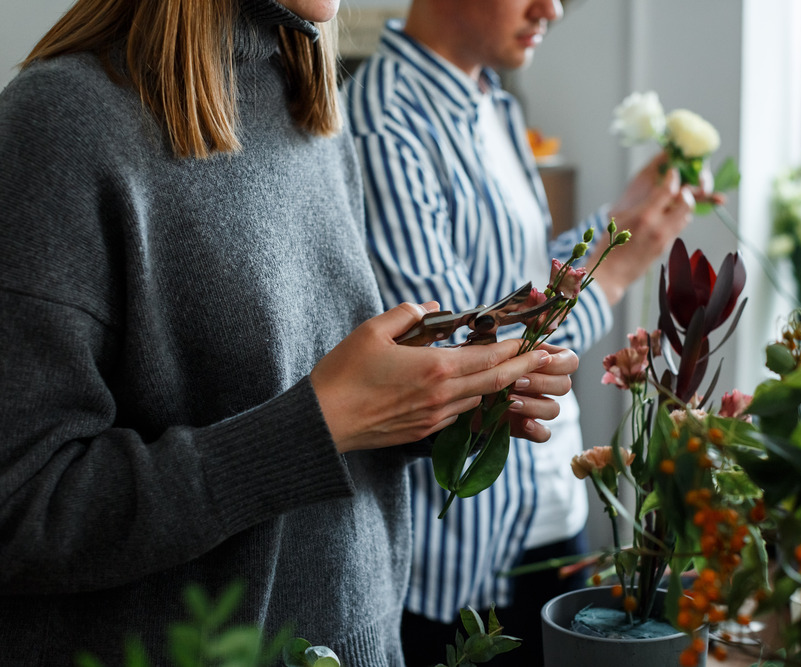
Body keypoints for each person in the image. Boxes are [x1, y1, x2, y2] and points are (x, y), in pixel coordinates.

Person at [0, 0, 580, 664]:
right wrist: (318, 427)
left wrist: (431, 407)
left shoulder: (312, 111)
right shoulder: (60, 122)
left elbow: (312, 419)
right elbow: (17, 505)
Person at [344, 1, 714, 663]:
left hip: (550, 508)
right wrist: (617, 271)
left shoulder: (496, 103)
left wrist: (620, 223)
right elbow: (454, 363)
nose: (554, 7)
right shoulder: (384, 123)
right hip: (463, 556)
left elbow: (519, 292)